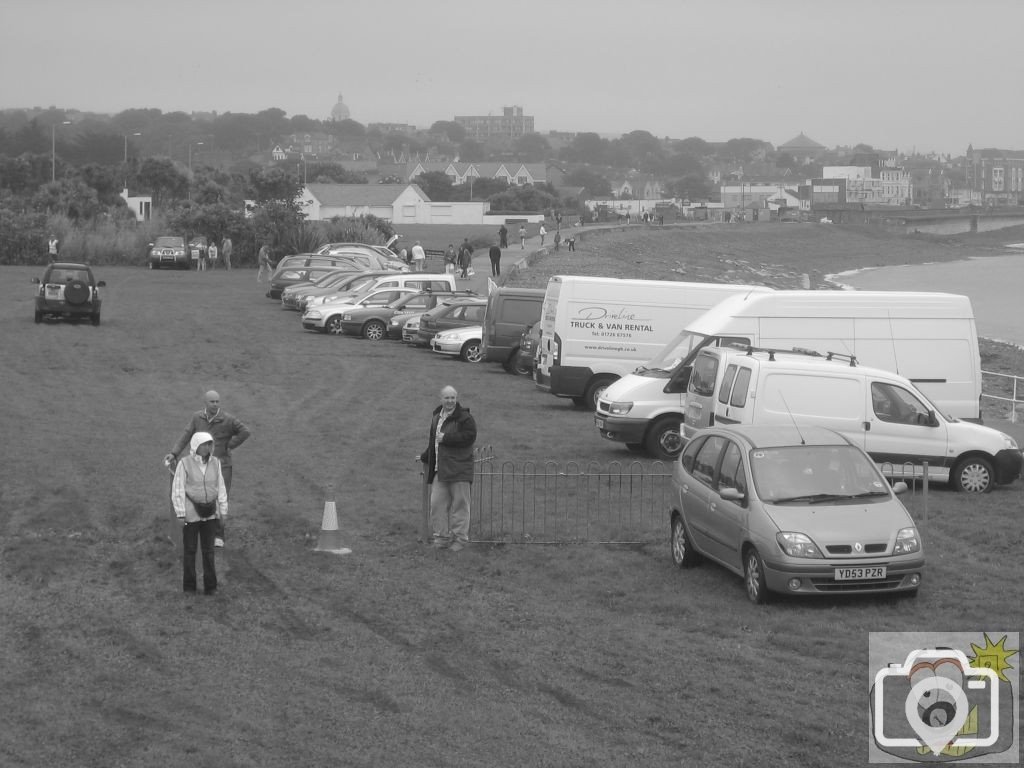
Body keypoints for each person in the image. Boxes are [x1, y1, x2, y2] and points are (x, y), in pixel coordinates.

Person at [165, 390, 250, 548]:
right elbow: (186, 435)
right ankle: (202, 529)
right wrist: (174, 453)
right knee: (202, 496)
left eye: (217, 401)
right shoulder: (197, 417)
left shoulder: (228, 419)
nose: (215, 404)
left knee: (220, 498)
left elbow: (245, 432)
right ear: (205, 402)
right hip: (201, 465)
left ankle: (219, 535)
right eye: (212, 401)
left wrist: (230, 445)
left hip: (222, 465)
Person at [419, 385, 477, 551]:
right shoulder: (436, 417)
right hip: (440, 470)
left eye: (453, 398)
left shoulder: (465, 418)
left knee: (460, 507)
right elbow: (434, 442)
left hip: (459, 470)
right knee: (436, 505)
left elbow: (469, 437)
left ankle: (459, 540)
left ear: (456, 398)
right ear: (441, 399)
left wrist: (447, 438)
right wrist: (424, 456)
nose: (450, 401)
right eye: (447, 398)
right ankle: (441, 539)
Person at [171, 432, 227, 594]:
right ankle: (189, 588)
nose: (207, 447)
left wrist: (223, 511)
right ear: (196, 446)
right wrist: (180, 513)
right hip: (190, 514)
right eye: (204, 444)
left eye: (209, 444)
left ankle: (211, 587)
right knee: (190, 550)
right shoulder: (185, 463)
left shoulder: (215, 463)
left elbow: (220, 487)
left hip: (210, 513)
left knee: (208, 551)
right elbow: (178, 488)